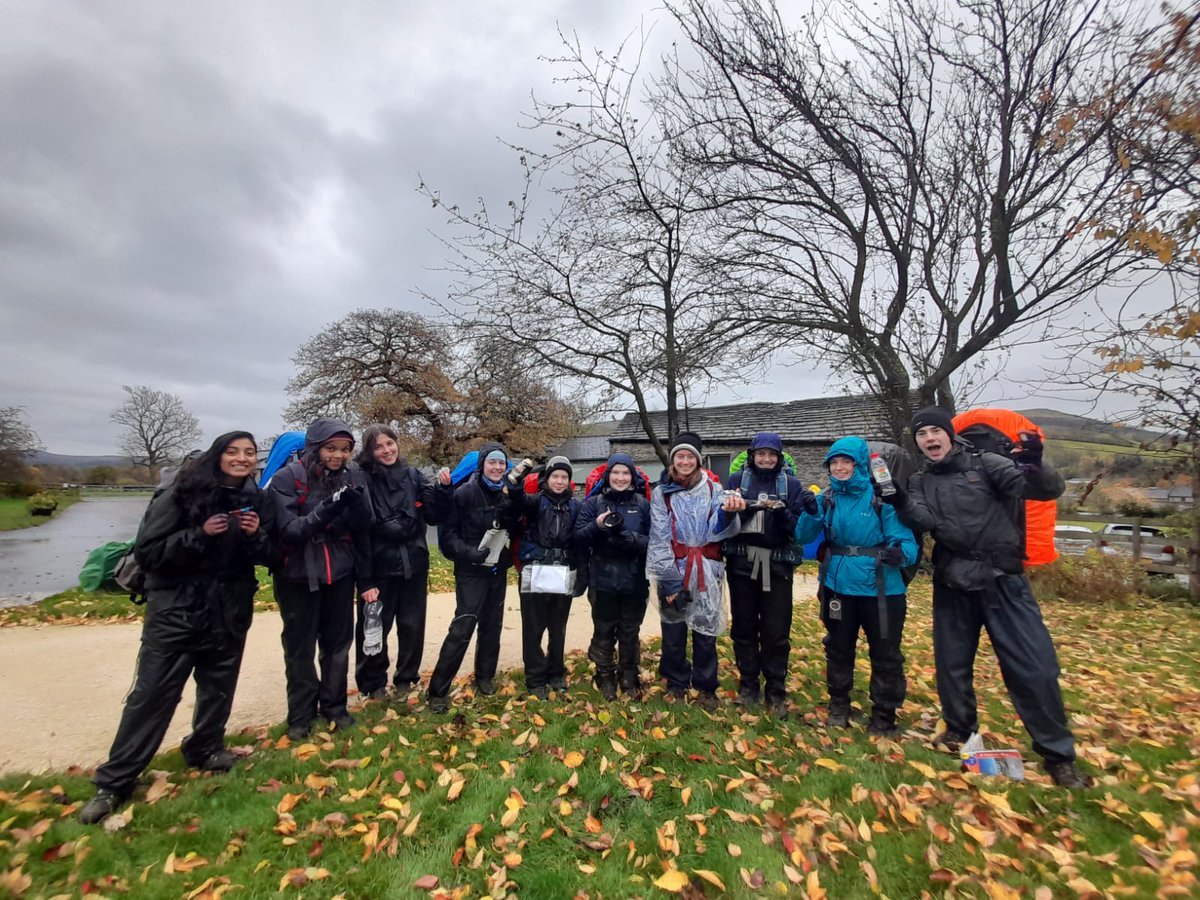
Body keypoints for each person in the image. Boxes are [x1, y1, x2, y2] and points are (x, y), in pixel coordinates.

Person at [893, 407, 1090, 788]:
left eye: (936, 431)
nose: (930, 439)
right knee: (951, 663)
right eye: (922, 435)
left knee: (1034, 667)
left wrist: (1035, 467)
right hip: (952, 579)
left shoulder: (990, 464)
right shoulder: (921, 480)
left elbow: (1044, 490)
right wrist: (899, 500)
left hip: (1002, 578)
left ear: (950, 434)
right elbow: (923, 521)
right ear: (917, 443)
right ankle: (959, 730)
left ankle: (1057, 755)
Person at [80, 432, 271, 824]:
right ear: (217, 456)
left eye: (249, 453)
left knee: (219, 684)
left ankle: (206, 747)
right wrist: (199, 534)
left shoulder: (253, 499)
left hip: (229, 607)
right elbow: (149, 553)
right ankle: (115, 781)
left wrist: (256, 535)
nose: (242, 459)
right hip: (176, 609)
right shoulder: (180, 493)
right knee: (153, 694)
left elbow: (267, 555)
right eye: (233, 452)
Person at [796, 436, 918, 735]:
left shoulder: (881, 499)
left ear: (859, 464)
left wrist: (901, 554)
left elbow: (905, 539)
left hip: (881, 588)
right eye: (834, 463)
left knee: (886, 652)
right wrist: (811, 513)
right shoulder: (828, 499)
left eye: (845, 462)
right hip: (838, 585)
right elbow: (803, 536)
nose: (839, 468)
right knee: (838, 648)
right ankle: (839, 704)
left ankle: (885, 714)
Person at [269, 418, 375, 741]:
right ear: (315, 448)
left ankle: (334, 707)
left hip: (340, 572)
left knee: (337, 646)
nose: (338, 456)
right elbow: (291, 530)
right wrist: (328, 508)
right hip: (299, 575)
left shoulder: (353, 475)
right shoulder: (287, 479)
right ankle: (300, 715)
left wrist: (355, 505)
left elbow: (363, 525)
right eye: (331, 448)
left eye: (345, 449)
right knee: (300, 649)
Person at [647, 432, 745, 709]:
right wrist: (668, 582)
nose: (685, 461)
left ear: (699, 460)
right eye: (680, 456)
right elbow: (659, 538)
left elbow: (718, 529)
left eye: (691, 456)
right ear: (673, 459)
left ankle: (706, 687)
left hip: (705, 568)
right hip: (674, 566)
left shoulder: (714, 489)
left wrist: (728, 512)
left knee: (705, 632)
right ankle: (677, 683)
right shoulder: (662, 493)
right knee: (674, 631)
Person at [427, 442, 526, 713]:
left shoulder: (506, 494)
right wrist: (473, 554)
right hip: (470, 572)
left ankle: (485, 678)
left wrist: (515, 501)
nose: (496, 467)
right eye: (491, 462)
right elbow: (447, 540)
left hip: (496, 571)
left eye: (501, 463)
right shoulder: (465, 494)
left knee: (492, 627)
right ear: (482, 465)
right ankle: (437, 691)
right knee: (462, 629)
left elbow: (514, 529)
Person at [722, 432, 809, 717]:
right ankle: (748, 686)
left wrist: (782, 514)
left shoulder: (791, 485)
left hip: (777, 565)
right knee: (744, 628)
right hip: (742, 565)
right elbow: (725, 521)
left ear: (780, 457)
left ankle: (776, 690)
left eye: (772, 454)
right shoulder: (736, 482)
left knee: (776, 630)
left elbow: (797, 530)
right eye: (761, 454)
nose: (766, 459)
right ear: (752, 455)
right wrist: (741, 510)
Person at [355, 424, 441, 700]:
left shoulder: (413, 475)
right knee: (374, 627)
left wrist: (436, 495)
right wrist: (365, 580)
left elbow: (433, 516)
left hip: (413, 562)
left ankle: (406, 677)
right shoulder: (361, 479)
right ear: (370, 451)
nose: (386, 450)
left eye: (389, 443)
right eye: (378, 446)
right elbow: (361, 533)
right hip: (379, 566)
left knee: (412, 625)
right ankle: (373, 683)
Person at [575, 453, 652, 700]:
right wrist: (596, 526)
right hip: (602, 577)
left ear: (632, 476)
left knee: (630, 630)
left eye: (625, 473)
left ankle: (629, 675)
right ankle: (604, 674)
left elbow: (657, 541)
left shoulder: (642, 504)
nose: (620, 478)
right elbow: (577, 539)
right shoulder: (594, 503)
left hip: (634, 577)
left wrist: (633, 540)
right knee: (604, 629)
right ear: (608, 475)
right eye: (616, 473)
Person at [511, 456, 583, 698]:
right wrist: (516, 480)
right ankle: (535, 678)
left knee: (558, 626)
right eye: (555, 476)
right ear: (547, 478)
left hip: (563, 571)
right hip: (536, 569)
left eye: (564, 477)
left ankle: (556, 673)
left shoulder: (576, 506)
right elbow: (516, 498)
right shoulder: (535, 502)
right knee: (533, 627)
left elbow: (581, 538)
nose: (560, 481)